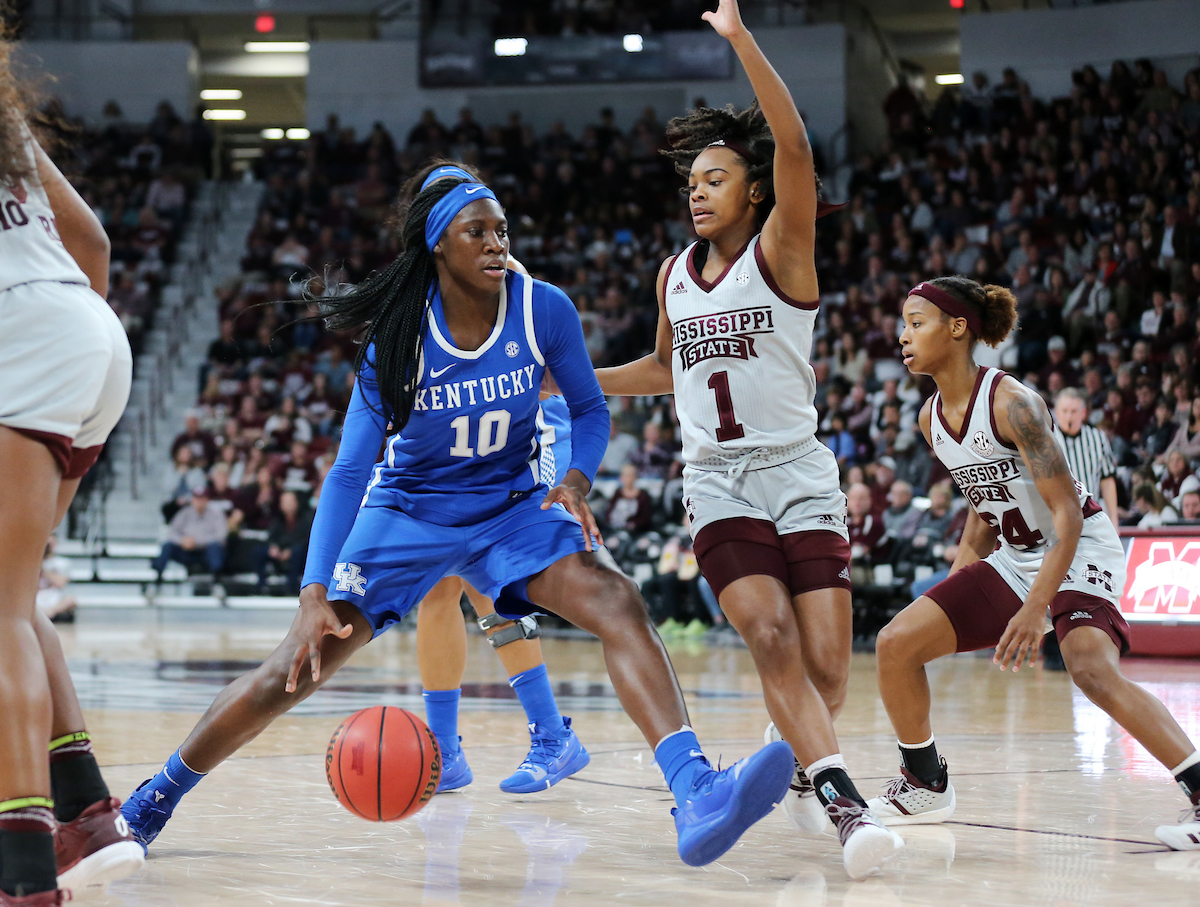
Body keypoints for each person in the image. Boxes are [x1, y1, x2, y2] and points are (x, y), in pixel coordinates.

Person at [120, 166, 792, 868]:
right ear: (440, 243)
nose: (497, 243)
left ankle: (696, 790)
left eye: (502, 230)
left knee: (617, 598)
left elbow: (590, 409)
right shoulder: (398, 336)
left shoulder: (544, 309)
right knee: (294, 666)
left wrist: (575, 477)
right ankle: (149, 800)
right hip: (409, 511)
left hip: (509, 508)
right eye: (478, 231)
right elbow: (350, 469)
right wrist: (312, 592)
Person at [588, 0, 900, 879]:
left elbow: (796, 147)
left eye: (715, 176)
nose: (696, 187)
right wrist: (571, 380)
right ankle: (843, 799)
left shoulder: (783, 250)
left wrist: (739, 39)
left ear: (754, 190)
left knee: (830, 669)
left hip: (800, 475)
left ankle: (796, 767)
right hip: (719, 480)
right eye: (690, 178)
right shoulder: (672, 275)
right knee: (770, 639)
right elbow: (663, 367)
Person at [867, 274, 1200, 852]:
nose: (904, 335)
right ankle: (924, 781)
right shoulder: (929, 418)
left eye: (916, 323)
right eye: (904, 323)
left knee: (1090, 668)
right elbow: (981, 505)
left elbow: (1067, 515)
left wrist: (1033, 608)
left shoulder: (1013, 404)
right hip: (1017, 556)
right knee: (897, 644)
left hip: (1079, 548)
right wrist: (950, 593)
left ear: (957, 328)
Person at [0, 36, 143, 903]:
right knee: (12, 597)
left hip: (23, 336)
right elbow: (91, 239)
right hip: (90, 331)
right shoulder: (6, 118)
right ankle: (86, 814)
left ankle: (21, 874)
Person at [405, 162, 592, 797]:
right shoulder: (429, 292)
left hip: (530, 436)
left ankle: (552, 735)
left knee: (490, 585)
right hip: (469, 452)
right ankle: (444, 751)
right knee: (435, 591)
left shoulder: (507, 283)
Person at [1052, 388, 1118, 528]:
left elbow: (1107, 480)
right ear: (1056, 413)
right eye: (1065, 411)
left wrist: (1114, 518)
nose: (1069, 416)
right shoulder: (1048, 439)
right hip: (1055, 517)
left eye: (1074, 411)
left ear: (1083, 413)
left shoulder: (1097, 437)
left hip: (1090, 516)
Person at [151, 487, 228, 579]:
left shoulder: (216, 514)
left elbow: (221, 535)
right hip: (186, 550)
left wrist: (197, 541)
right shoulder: (185, 513)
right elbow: (172, 532)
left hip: (204, 551)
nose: (199, 501)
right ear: (192, 499)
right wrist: (182, 541)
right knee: (167, 546)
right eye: (197, 498)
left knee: (215, 548)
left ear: (207, 500)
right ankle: (157, 578)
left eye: (202, 498)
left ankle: (217, 582)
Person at [35, 538, 76, 624]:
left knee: (71, 600)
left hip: (53, 598)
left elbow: (60, 583)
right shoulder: (30, 562)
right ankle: (45, 614)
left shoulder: (62, 562)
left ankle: (48, 613)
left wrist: (42, 567)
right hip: (36, 597)